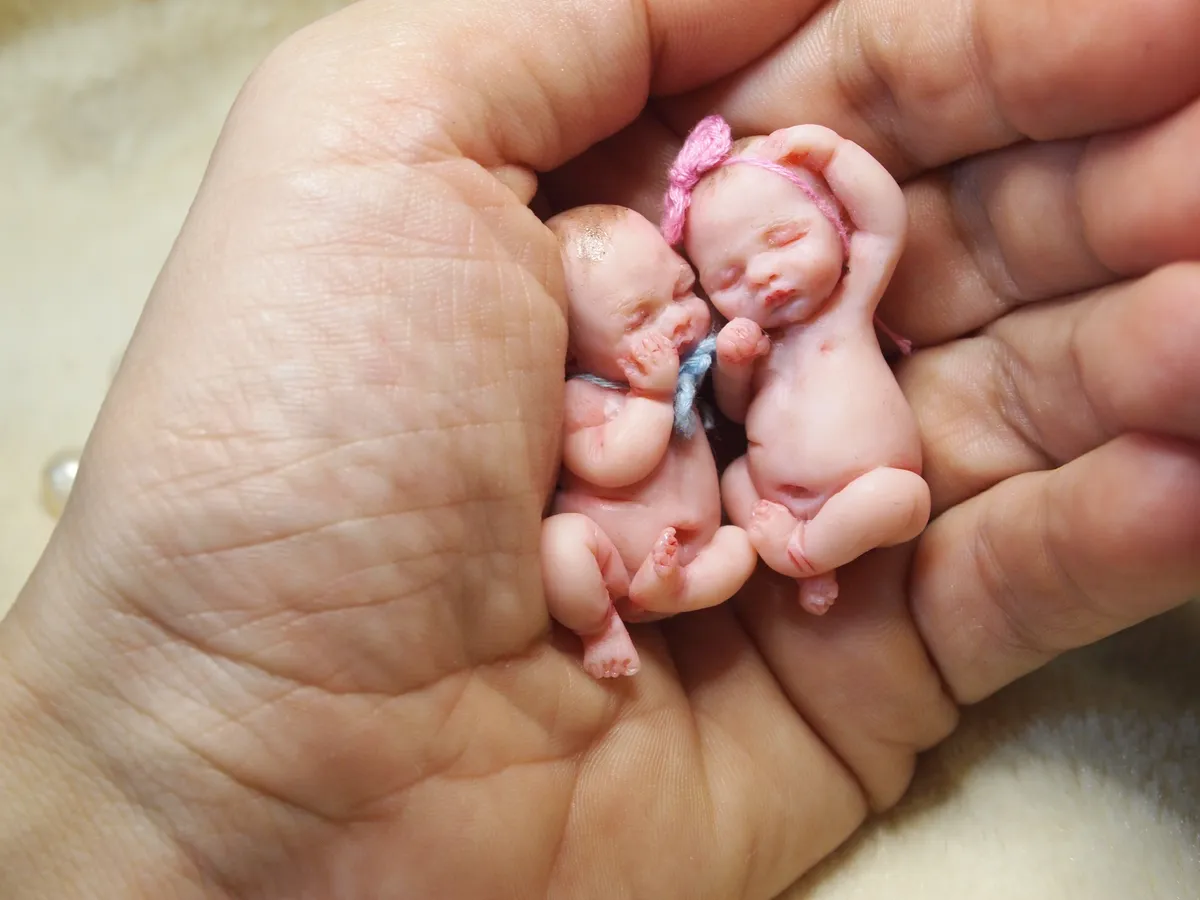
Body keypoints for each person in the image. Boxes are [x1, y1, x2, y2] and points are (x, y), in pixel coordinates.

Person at [2, 0, 1197, 896]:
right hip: (668, 533)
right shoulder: (609, 398)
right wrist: (700, 378)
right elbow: (645, 450)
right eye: (719, 279)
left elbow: (874, 220)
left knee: (889, 499)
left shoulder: (845, 305)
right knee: (584, 549)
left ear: (830, 235)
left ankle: (796, 546)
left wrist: (824, 160)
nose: (747, 287)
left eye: (764, 254)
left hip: (810, 491)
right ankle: (664, 598)